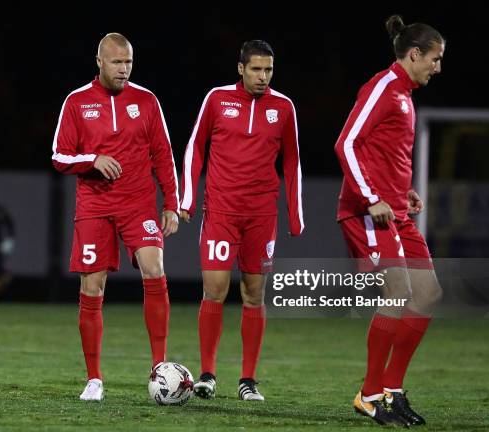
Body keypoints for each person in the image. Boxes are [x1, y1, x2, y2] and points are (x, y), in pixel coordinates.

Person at [52, 33, 179, 402]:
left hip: (138, 204)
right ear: (100, 62)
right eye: (117, 63)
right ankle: (94, 378)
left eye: (128, 63)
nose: (124, 69)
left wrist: (171, 203)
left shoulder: (147, 101)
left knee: (154, 268)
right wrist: (91, 160)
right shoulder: (76, 102)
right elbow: (60, 156)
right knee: (92, 289)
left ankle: (159, 368)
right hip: (94, 207)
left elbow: (163, 154)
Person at [334, 15, 445, 427]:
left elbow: (384, 152)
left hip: (395, 209)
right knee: (397, 293)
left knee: (429, 293)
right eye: (435, 59)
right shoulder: (383, 86)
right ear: (414, 54)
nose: (438, 67)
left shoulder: (405, 93)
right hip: (367, 211)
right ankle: (369, 394)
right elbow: (345, 143)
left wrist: (403, 192)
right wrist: (373, 197)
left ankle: (393, 390)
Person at [180, 40, 304, 401]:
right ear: (241, 68)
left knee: (254, 295)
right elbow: (195, 146)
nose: (262, 77)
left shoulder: (283, 107)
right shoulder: (217, 99)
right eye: (256, 69)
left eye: (268, 70)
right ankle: (207, 374)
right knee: (214, 290)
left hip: (261, 216)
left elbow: (293, 161)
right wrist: (186, 198)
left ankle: (248, 380)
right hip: (220, 212)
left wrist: (295, 213)